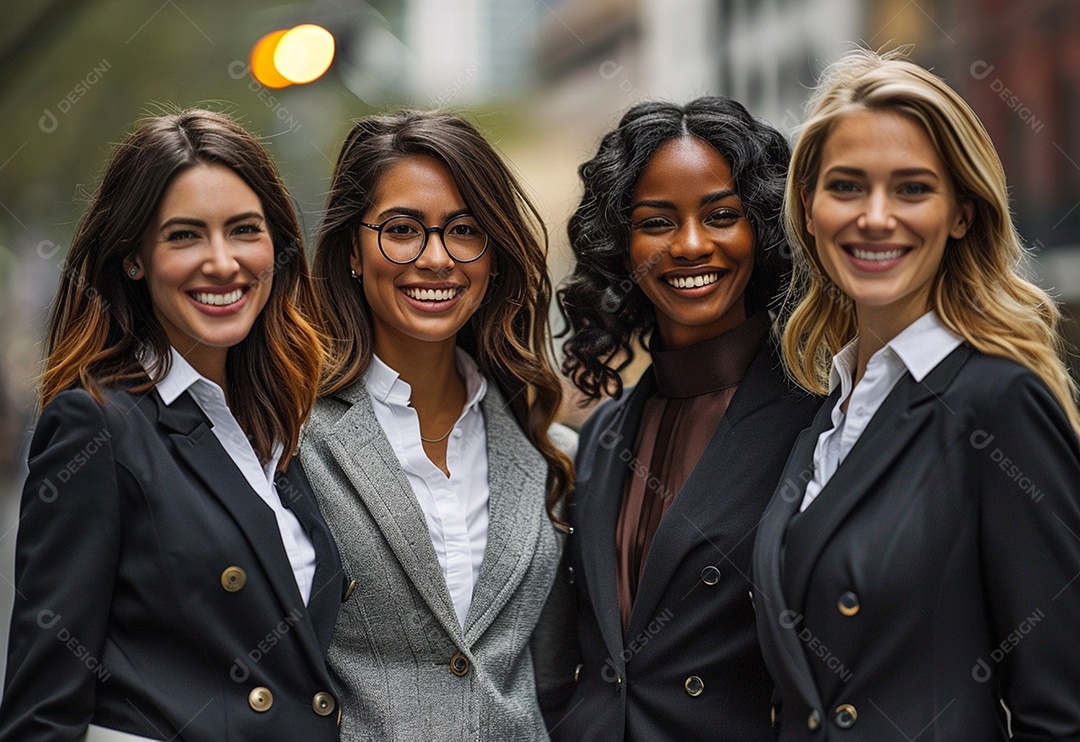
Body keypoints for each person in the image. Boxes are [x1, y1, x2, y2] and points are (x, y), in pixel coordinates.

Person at [752, 49, 1080, 740]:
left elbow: (1063, 708)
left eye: (911, 189)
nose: (876, 217)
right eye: (846, 186)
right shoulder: (825, 417)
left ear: (961, 213)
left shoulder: (1000, 403)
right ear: (808, 210)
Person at [0, 110, 344, 741]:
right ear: (134, 258)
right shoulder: (96, 425)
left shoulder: (285, 421)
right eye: (185, 236)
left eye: (244, 230)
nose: (222, 263)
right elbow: (41, 711)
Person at [546, 97, 820, 740]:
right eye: (657, 222)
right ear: (623, 244)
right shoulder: (604, 433)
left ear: (765, 230)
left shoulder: (817, 418)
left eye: (723, 216)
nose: (692, 245)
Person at [298, 109, 574, 741]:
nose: (437, 259)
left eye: (465, 231)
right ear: (350, 252)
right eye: (401, 230)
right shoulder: (290, 440)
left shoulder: (552, 454)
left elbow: (553, 675)